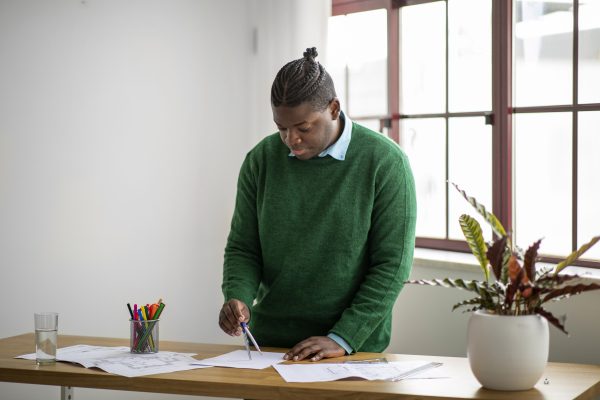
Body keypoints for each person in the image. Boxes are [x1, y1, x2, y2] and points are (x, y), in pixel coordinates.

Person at [219, 47, 416, 362]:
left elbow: (391, 265)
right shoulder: (260, 160)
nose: (290, 139)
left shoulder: (385, 162)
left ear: (334, 108)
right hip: (270, 348)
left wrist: (342, 337)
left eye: (303, 127)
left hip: (352, 350)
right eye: (281, 128)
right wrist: (237, 297)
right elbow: (244, 247)